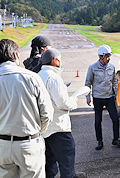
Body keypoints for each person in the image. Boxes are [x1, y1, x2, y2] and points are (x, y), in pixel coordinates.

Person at [0, 39, 54, 178]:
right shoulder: (32, 78)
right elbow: (47, 113)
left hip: (0, 144)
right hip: (28, 142)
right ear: (16, 56)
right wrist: (38, 132)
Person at [38, 48, 86, 178]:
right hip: (58, 127)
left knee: (48, 163)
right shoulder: (54, 77)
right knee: (67, 161)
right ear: (54, 60)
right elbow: (63, 103)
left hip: (43, 128)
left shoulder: (38, 76)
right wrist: (74, 101)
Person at [85, 45, 120, 150]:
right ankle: (99, 141)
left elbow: (113, 82)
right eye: (107, 56)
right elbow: (88, 83)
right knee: (98, 121)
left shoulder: (111, 67)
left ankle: (116, 139)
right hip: (98, 98)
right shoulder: (92, 68)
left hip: (109, 97)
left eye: (109, 56)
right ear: (101, 57)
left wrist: (115, 94)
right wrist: (88, 96)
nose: (109, 58)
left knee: (115, 119)